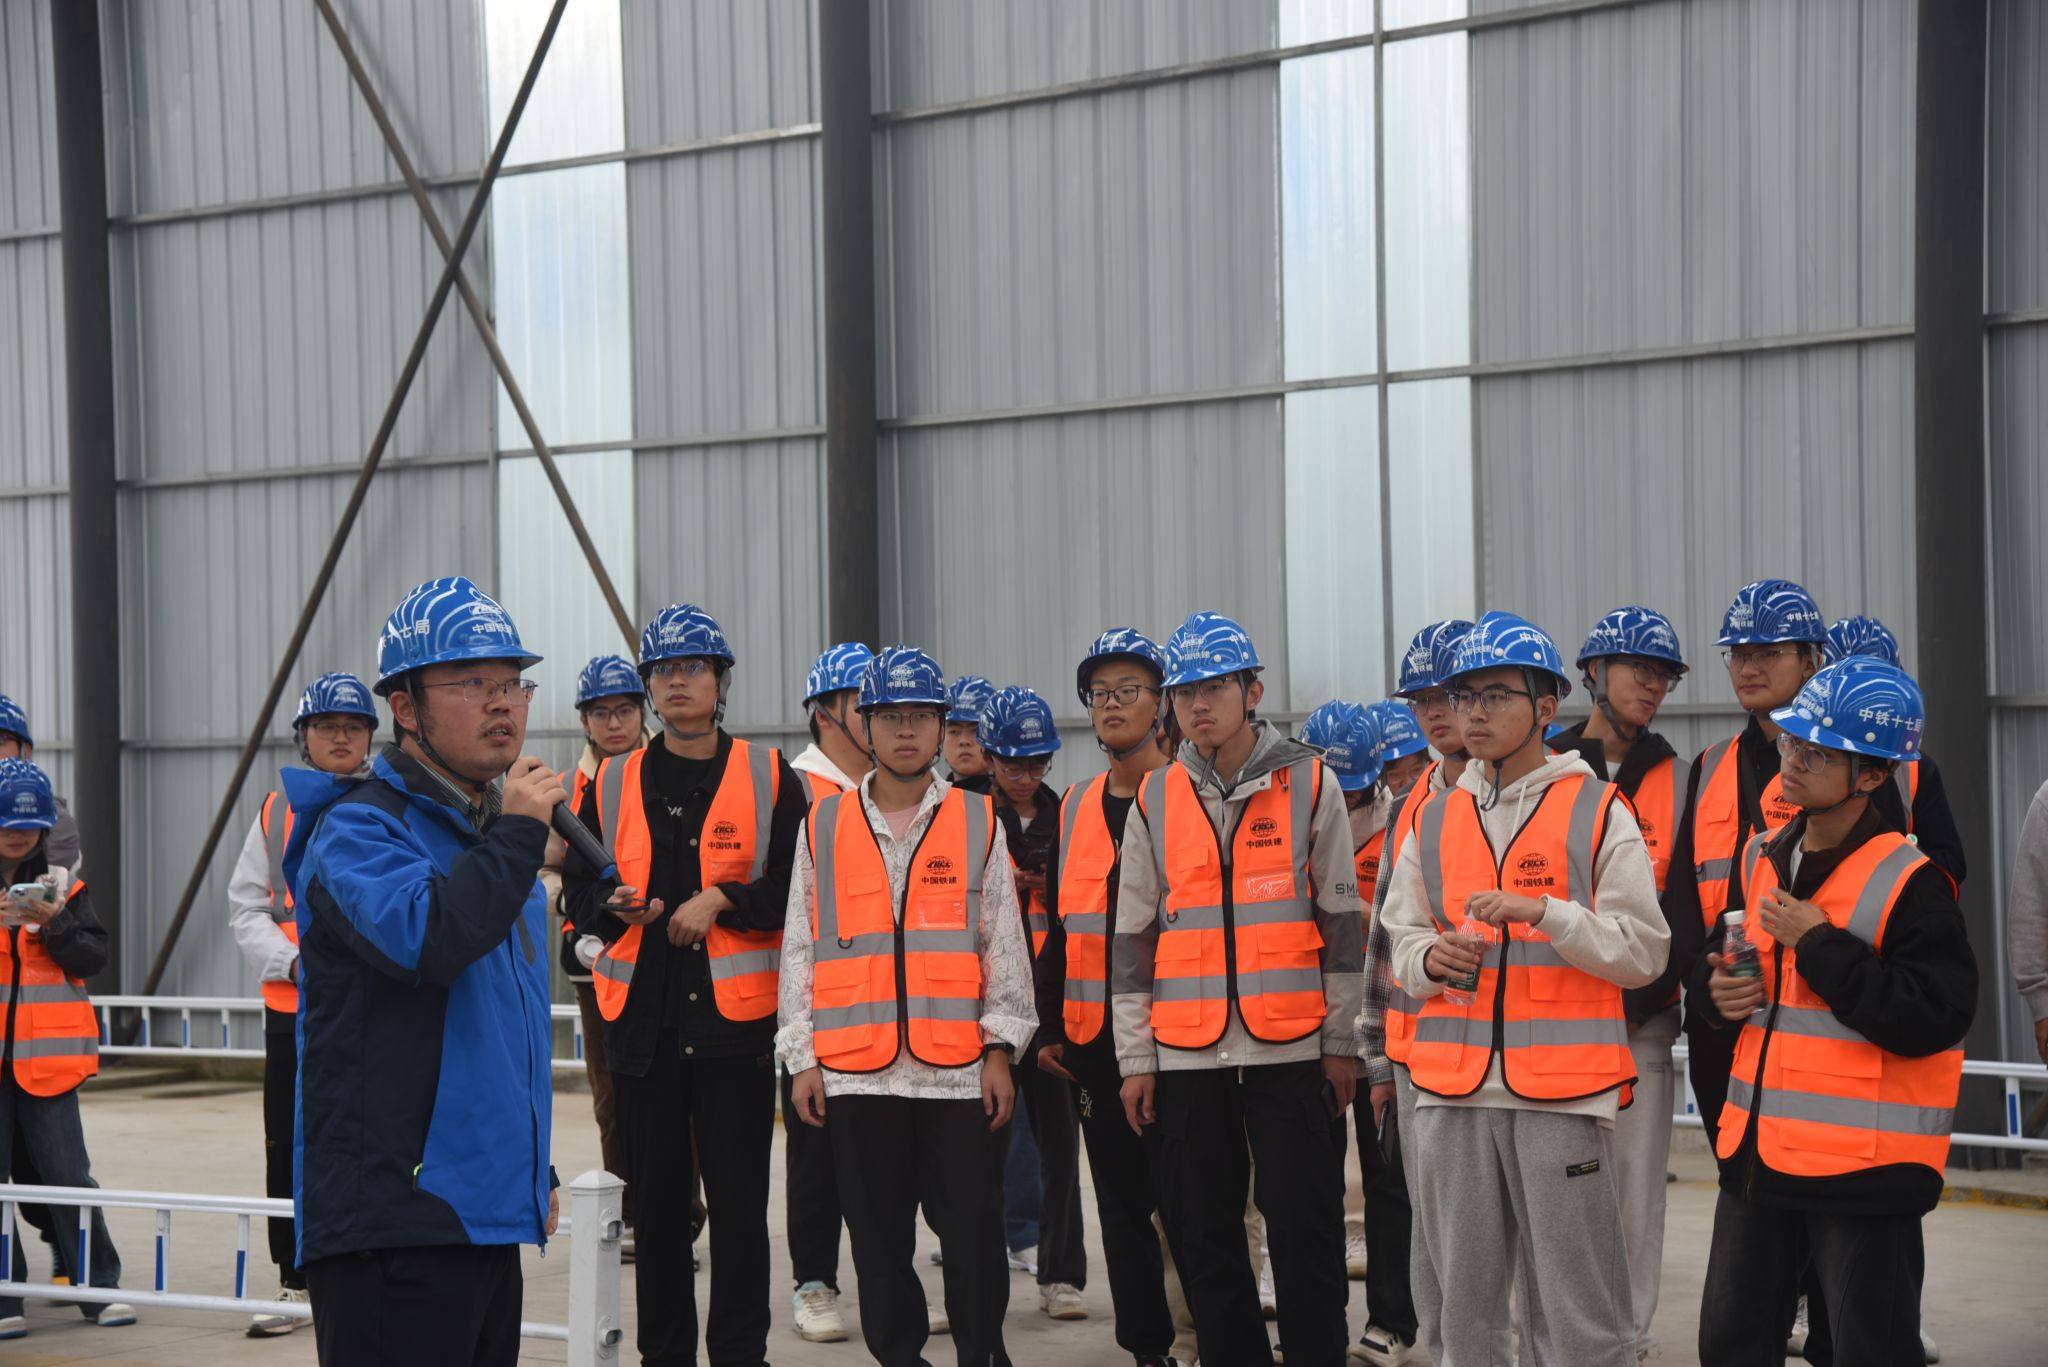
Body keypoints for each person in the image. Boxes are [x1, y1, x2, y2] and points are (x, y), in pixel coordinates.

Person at [282, 575, 560, 1366]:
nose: (502, 702)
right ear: (405, 708)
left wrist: (527, 1165)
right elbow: (428, 939)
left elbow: (492, 1032)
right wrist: (516, 838)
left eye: (512, 683)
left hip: (484, 1215)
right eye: (472, 682)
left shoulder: (488, 839)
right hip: (393, 1224)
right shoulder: (357, 828)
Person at [1382, 611, 1668, 1367]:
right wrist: (1429, 960)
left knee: (1579, 1316)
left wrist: (1547, 913)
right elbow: (1398, 941)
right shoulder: (1432, 817)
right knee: (1463, 1314)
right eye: (1464, 696)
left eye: (1495, 696)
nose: (1472, 713)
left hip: (1563, 1099)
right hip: (1452, 1095)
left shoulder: (1598, 809)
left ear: (1546, 706)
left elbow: (1645, 952)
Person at [1696, 659, 1974, 1367]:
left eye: (1817, 753)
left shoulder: (1912, 883)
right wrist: (1720, 996)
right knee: (1730, 1344)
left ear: (1874, 775)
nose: (1791, 761)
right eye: (1792, 741)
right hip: (1758, 1159)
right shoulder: (1761, 856)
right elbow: (1739, 977)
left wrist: (1820, 944)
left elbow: (1936, 1015)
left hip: (1861, 1174)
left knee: (1866, 1349)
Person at [1113, 611, 1362, 1367]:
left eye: (1215, 687)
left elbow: (1342, 925)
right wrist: (1136, 1059)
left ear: (1252, 691)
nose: (1198, 704)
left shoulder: (1310, 782)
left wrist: (1343, 1043)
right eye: (1185, 690)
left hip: (1293, 1049)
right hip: (1187, 1056)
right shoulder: (1155, 798)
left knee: (1305, 1228)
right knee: (1204, 1234)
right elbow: (1132, 942)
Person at [777, 645, 1037, 1367]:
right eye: (890, 715)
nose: (905, 729)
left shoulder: (980, 821)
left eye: (921, 716)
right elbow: (798, 949)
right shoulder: (822, 825)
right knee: (878, 1242)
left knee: (975, 1235)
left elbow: (1003, 945)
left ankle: (982, 1355)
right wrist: (802, 1057)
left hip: (956, 1073)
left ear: (941, 726)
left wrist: (999, 1049)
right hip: (855, 1074)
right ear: (864, 723)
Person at [567, 604, 806, 1367]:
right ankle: (663, 1355)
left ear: (720, 680)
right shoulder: (610, 783)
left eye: (693, 666)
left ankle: (740, 1354)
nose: (677, 680)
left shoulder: (770, 777)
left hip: (736, 1030)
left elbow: (799, 888)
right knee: (661, 1216)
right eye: (664, 669)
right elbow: (576, 891)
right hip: (642, 1030)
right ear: (649, 686)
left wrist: (723, 899)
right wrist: (610, 906)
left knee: (738, 1213)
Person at [1034, 629, 1185, 1367]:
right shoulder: (1075, 806)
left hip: (1182, 1034)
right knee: (1123, 1207)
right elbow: (1063, 928)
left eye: (1129, 690)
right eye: (1100, 693)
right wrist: (1049, 1027)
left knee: (1191, 1204)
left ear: (1162, 705)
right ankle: (1148, 1349)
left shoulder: (1189, 798)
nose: (1113, 704)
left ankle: (1206, 1335)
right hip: (1095, 1041)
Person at [1545, 606, 1690, 1361]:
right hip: (1554, 1023)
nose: (1653, 685)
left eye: (1664, 674)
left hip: (1642, 1022)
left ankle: (1628, 1338)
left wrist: (1643, 995)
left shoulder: (1682, 778)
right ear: (1594, 674)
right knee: (1557, 1193)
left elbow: (1687, 909)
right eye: (1640, 668)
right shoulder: (1547, 766)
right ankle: (1558, 1333)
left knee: (1636, 1192)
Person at [227, 671, 377, 1336]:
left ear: (371, 735)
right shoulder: (275, 811)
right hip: (294, 1011)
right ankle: (294, 1279)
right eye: (326, 726)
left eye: (353, 726)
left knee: (374, 1137)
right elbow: (246, 907)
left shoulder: (392, 801)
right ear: (304, 737)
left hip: (374, 1011)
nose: (340, 737)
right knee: (289, 1145)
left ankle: (371, 1268)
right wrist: (293, 962)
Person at [1356, 619, 1475, 1367]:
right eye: (1421, 700)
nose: (1434, 713)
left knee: (1492, 1234)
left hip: (1497, 1057)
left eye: (1447, 695)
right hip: (1414, 1055)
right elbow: (1382, 941)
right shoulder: (1411, 804)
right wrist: (1377, 1057)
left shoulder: (1527, 798)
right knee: (1425, 1224)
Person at [0, 759, 133, 1342]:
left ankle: (98, 1288)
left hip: (48, 1063)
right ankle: (4, 1296)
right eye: (8, 824)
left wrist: (56, 924)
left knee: (68, 1178)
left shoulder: (63, 886)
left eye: (28, 825)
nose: (18, 835)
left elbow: (93, 958)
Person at [537, 654, 650, 1262]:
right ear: (584, 719)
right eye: (601, 712)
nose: (614, 722)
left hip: (663, 951)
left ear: (641, 711)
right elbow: (545, 869)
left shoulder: (666, 770)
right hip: (596, 960)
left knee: (675, 1095)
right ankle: (630, 1215)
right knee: (611, 1096)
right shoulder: (566, 789)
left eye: (624, 709)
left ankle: (679, 1217)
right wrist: (573, 908)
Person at [980, 685, 1087, 1319]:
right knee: (981, 1148)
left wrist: (1051, 884)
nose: (1026, 776)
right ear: (990, 758)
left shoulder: (1069, 816)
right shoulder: (966, 818)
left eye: (1038, 763)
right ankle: (980, 1277)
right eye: (1014, 764)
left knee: (1060, 1147)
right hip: (988, 1009)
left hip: (1051, 1008)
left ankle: (1062, 1275)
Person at [785, 641, 877, 1344]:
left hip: (890, 1005)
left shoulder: (902, 785)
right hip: (818, 1006)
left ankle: (887, 1279)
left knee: (887, 1157)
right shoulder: (797, 791)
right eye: (862, 704)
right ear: (826, 712)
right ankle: (814, 1282)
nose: (879, 717)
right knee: (815, 1153)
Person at [1299, 702, 1390, 1287]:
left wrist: (1355, 912)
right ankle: (1310, 1293)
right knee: (1310, 1172)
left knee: (1386, 1174)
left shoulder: (1398, 822)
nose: (1346, 798)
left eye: (1355, 788)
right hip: (1311, 1017)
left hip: (1380, 1015)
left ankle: (1391, 1315)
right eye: (1338, 786)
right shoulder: (1290, 820)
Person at [0, 692, 87, 1287]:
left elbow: (52, 881)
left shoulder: (47, 815)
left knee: (49, 1160)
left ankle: (69, 1250)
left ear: (24, 749)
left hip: (37, 1034)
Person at [943, 676, 997, 792]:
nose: (964, 741)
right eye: (954, 731)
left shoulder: (1016, 800)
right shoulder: (931, 799)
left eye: (976, 731)